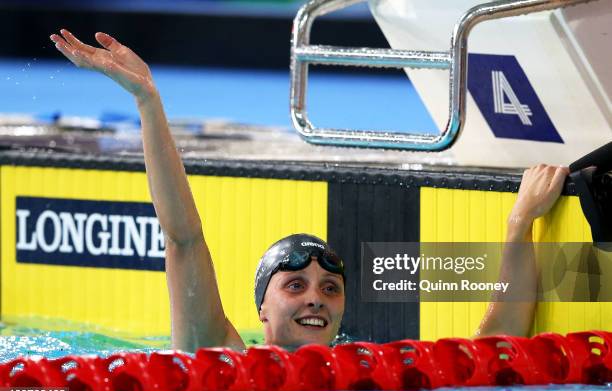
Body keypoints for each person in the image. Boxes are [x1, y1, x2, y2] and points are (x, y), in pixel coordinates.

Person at [49, 30, 569, 352]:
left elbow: (497, 345)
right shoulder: (218, 356)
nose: (315, 298)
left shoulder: (369, 372)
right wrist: (148, 102)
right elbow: (183, 238)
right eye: (294, 285)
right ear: (261, 310)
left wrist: (519, 226)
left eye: (329, 288)